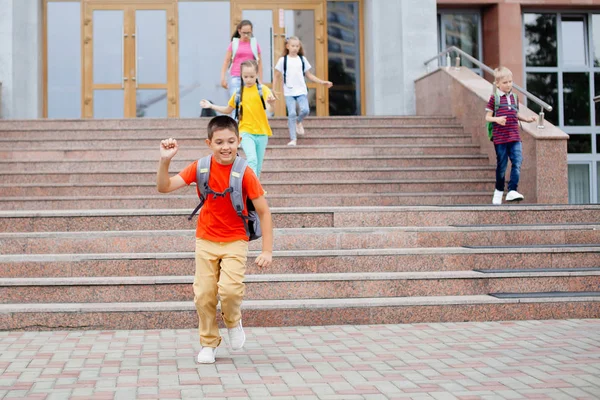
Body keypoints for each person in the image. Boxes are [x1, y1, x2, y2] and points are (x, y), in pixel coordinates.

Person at [156, 115, 273, 364]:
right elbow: (164, 187)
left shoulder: (245, 173)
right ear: (209, 143)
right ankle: (208, 343)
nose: (226, 147)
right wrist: (165, 162)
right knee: (204, 294)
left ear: (239, 141)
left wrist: (267, 251)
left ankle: (233, 321)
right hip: (206, 239)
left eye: (231, 141)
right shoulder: (201, 167)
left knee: (230, 291)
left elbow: (264, 211)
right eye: (219, 142)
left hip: (235, 240)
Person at [200, 60, 276, 177]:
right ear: (241, 75)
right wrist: (211, 106)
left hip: (262, 132)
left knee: (258, 165)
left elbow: (270, 110)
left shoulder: (263, 90)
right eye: (245, 76)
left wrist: (272, 103)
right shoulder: (238, 93)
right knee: (252, 160)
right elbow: (227, 109)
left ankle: (254, 190)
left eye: (252, 76)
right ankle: (251, 189)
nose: (249, 79)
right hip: (245, 132)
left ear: (257, 75)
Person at [485, 66, 537, 205]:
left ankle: (512, 190)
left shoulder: (514, 97)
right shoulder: (494, 99)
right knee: (502, 165)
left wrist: (526, 119)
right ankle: (499, 191)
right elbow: (487, 117)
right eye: (505, 82)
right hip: (500, 138)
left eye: (510, 81)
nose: (509, 85)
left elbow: (515, 113)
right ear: (497, 84)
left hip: (514, 136)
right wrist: (498, 119)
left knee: (517, 161)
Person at [273, 36, 333, 146]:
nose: (295, 48)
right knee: (291, 113)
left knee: (305, 110)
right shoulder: (283, 60)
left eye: (297, 46)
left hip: (301, 90)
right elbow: (276, 76)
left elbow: (309, 75)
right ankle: (293, 139)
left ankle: (298, 121)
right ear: (287, 46)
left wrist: (322, 82)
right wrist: (273, 89)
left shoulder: (302, 59)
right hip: (289, 91)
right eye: (293, 46)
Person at [220, 20, 263, 99]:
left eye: (248, 33)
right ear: (239, 31)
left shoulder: (254, 44)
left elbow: (259, 63)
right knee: (236, 102)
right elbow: (226, 61)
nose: (246, 35)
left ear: (251, 31)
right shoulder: (234, 44)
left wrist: (260, 79)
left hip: (251, 77)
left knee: (250, 101)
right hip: (236, 76)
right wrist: (223, 77)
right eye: (244, 33)